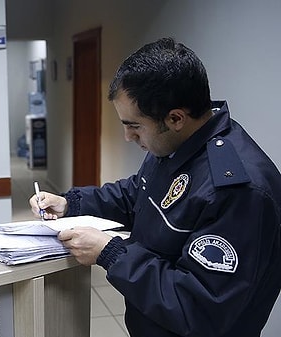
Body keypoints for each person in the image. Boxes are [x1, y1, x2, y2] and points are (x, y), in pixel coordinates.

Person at [29, 37, 281, 336]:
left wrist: (111, 253)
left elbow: (198, 307)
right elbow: (137, 193)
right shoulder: (176, 146)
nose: (127, 137)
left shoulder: (238, 190)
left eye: (134, 126)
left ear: (175, 118)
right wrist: (71, 202)